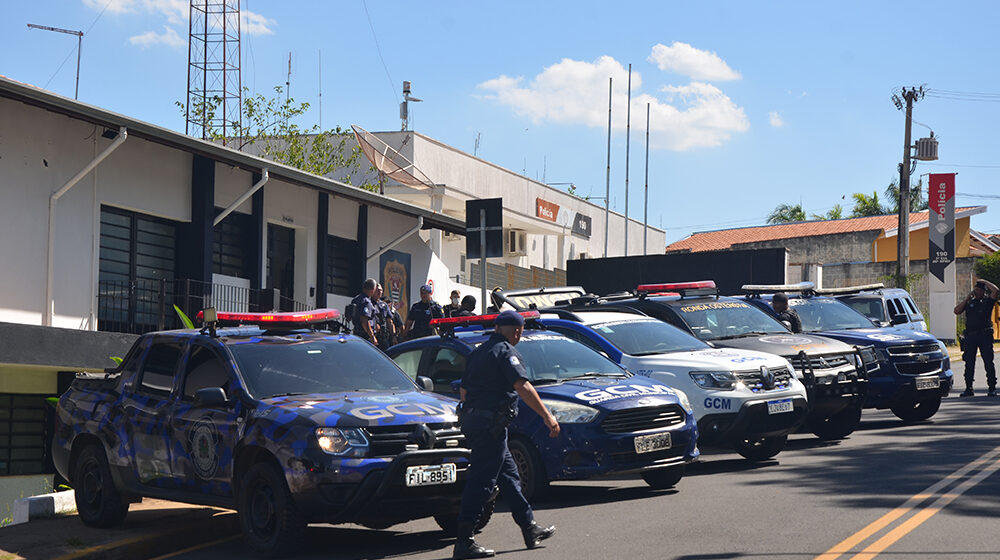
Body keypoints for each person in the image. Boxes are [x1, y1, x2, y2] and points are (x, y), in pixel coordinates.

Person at [453, 310, 559, 559]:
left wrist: (474, 417)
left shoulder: (478, 352)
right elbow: (522, 386)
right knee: (482, 481)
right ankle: (464, 541)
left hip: (479, 424)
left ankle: (529, 527)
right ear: (517, 332)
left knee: (509, 478)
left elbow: (464, 391)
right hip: (491, 427)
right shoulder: (506, 352)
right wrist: (547, 416)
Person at [954, 279, 999, 397]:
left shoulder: (988, 302)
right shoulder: (970, 303)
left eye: (980, 290)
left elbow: (996, 290)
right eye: (976, 289)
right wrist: (967, 299)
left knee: (988, 362)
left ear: (984, 291)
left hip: (984, 336)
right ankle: (969, 388)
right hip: (971, 336)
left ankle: (992, 387)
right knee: (969, 363)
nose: (977, 291)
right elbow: (956, 311)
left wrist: (984, 281)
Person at [350, 278, 379, 345]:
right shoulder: (366, 302)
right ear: (373, 289)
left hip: (356, 333)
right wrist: (372, 337)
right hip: (365, 336)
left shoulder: (356, 299)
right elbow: (365, 321)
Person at [373, 283, 395, 351]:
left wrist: (393, 336)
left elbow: (389, 321)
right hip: (374, 336)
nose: (379, 292)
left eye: (381, 290)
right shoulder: (369, 303)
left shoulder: (384, 305)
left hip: (384, 337)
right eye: (377, 290)